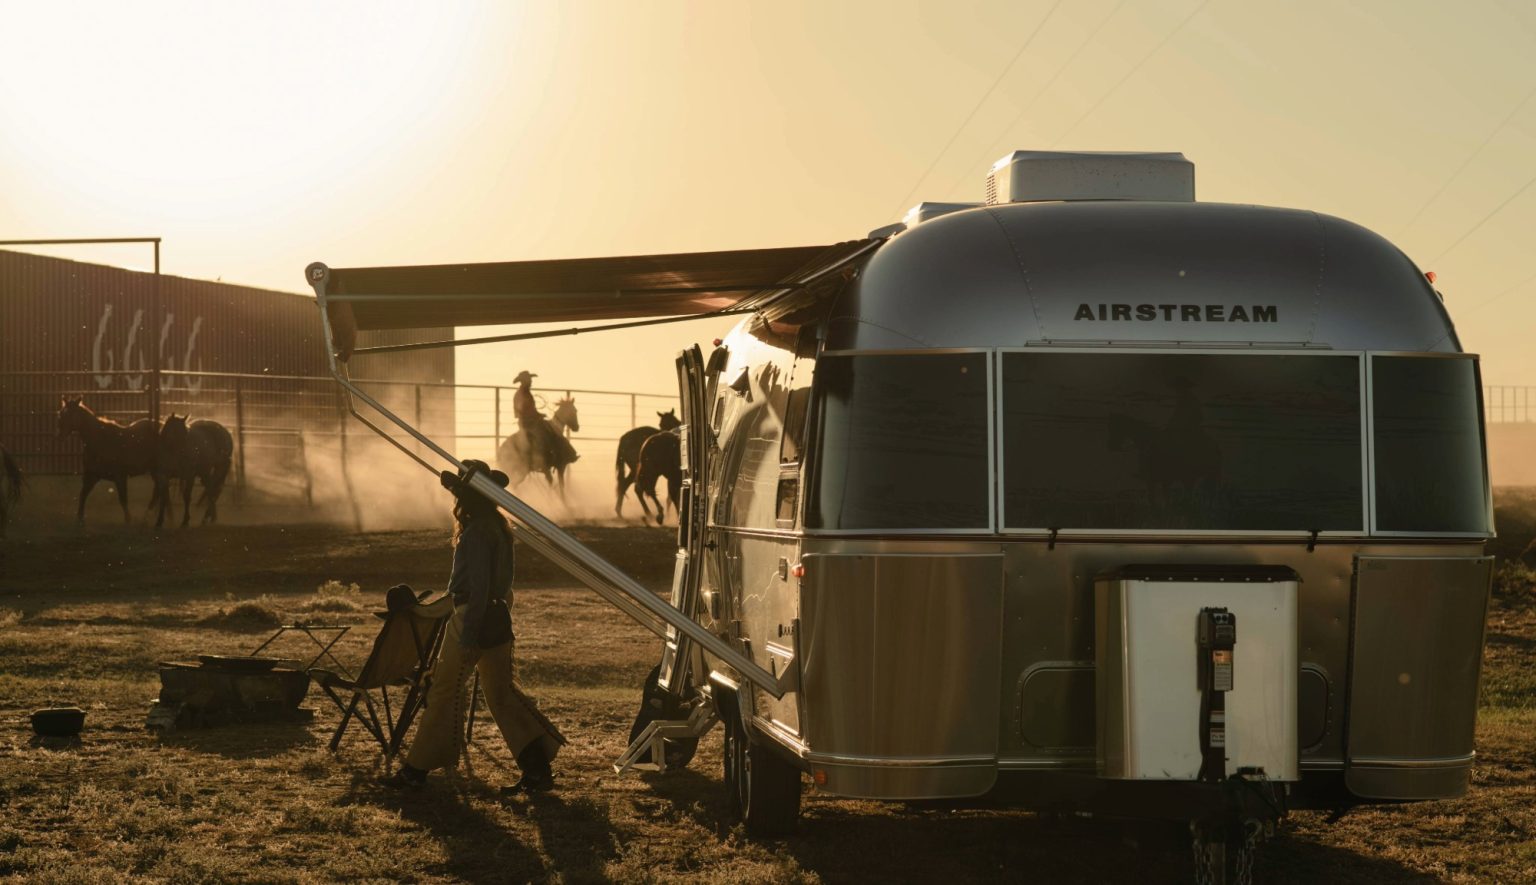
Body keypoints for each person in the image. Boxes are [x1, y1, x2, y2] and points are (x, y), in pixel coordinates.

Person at [383, 460, 565, 793]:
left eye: (458, 492)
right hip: (496, 618)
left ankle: (416, 770)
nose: (455, 498)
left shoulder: (478, 531)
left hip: (473, 618)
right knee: (501, 696)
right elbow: (501, 588)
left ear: (467, 496)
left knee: (444, 691)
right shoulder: (497, 527)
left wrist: (468, 635)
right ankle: (537, 769)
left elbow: (478, 588)